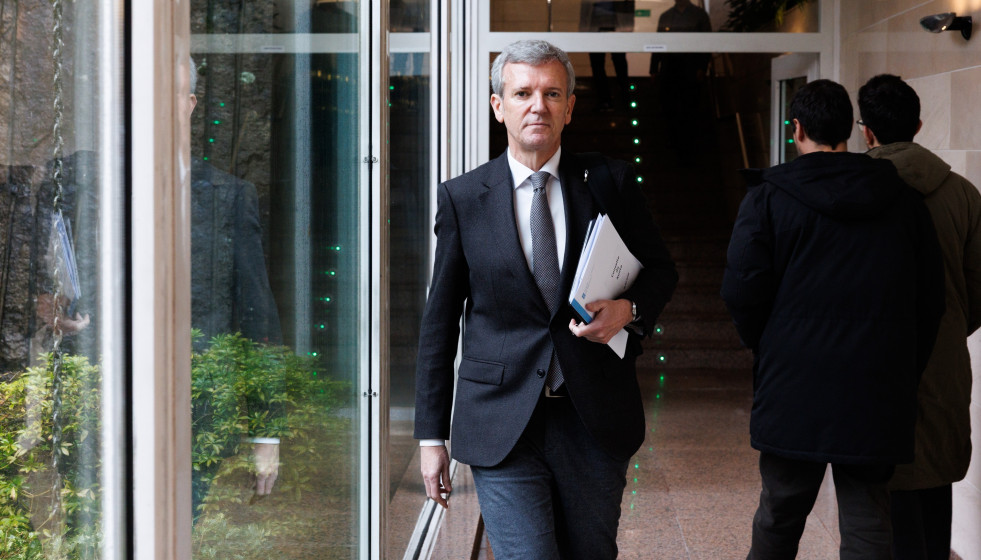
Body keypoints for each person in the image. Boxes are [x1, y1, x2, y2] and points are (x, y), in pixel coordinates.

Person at [414, 40, 677, 559]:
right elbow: (439, 324)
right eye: (523, 93)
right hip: (500, 420)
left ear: (570, 107)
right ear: (498, 105)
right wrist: (430, 438)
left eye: (552, 93)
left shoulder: (610, 182)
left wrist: (628, 310)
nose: (539, 105)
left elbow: (661, 271)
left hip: (592, 416)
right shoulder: (463, 198)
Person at [721, 79, 945, 559]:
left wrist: (770, 345)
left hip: (793, 382)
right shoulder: (903, 201)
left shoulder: (767, 198)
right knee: (868, 519)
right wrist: (903, 364)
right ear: (854, 130)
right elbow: (931, 299)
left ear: (795, 129)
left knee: (779, 514)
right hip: (877, 384)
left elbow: (740, 289)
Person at [858, 73, 981, 560]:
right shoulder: (963, 195)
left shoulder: (852, 191)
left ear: (866, 132)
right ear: (920, 125)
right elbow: (978, 288)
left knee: (874, 505)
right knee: (934, 486)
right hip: (942, 361)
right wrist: (948, 328)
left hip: (869, 363)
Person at [184, 58, 284, 514]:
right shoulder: (91, 185)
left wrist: (264, 432)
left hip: (197, 416)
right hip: (97, 418)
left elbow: (256, 314)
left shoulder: (228, 196)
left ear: (189, 105)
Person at [649, 0, 712, 163]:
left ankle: (687, 149)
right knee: (670, 107)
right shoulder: (666, 16)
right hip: (670, 67)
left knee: (689, 108)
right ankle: (674, 146)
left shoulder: (699, 15)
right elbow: (658, 43)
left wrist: (702, 67)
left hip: (690, 66)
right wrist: (654, 68)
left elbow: (706, 42)